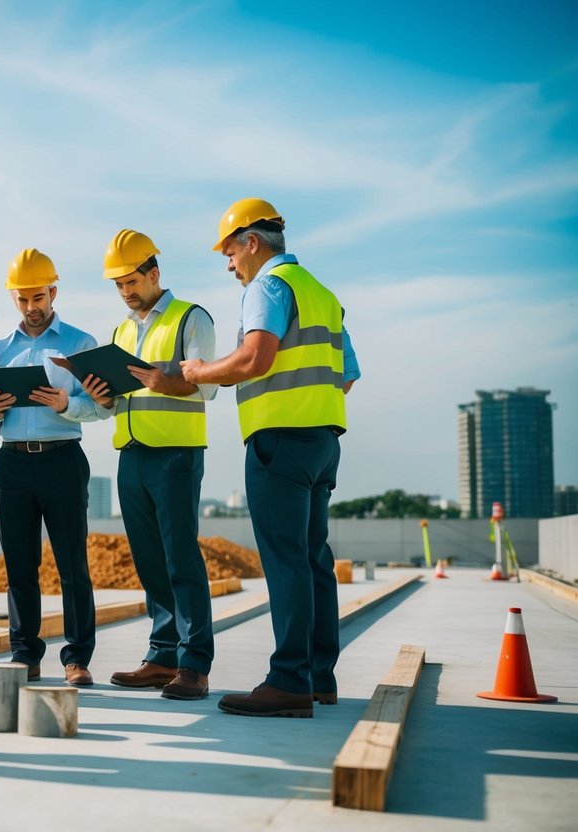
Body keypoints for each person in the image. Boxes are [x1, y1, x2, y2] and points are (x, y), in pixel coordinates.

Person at [181, 198, 360, 718]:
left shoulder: (268, 286)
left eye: (229, 250)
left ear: (252, 242)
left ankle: (288, 682)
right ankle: (319, 677)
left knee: (285, 561)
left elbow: (256, 357)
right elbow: (345, 374)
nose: (228, 263)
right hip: (322, 442)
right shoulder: (323, 294)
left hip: (279, 442)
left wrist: (199, 372)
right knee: (312, 558)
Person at [87, 229, 218, 701]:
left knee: (181, 556)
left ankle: (194, 663)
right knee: (148, 560)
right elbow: (116, 400)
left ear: (154, 273)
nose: (125, 291)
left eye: (131, 281)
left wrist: (167, 382)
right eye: (118, 284)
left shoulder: (191, 318)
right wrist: (101, 397)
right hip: (132, 453)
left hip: (176, 453)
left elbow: (207, 387)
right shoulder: (122, 331)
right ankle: (163, 655)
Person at [0, 248, 104, 687]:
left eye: (39, 297)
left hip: (63, 461)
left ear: (54, 291)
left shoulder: (81, 344)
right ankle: (24, 654)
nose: (32, 308)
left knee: (73, 565)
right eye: (23, 299)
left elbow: (103, 406)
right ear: (14, 297)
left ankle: (76, 658)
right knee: (19, 567)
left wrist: (68, 404)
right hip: (11, 464)